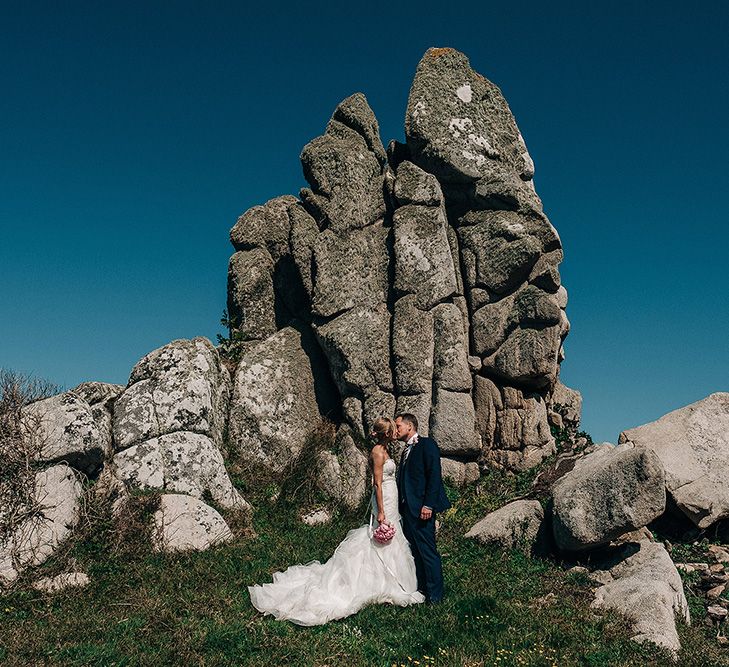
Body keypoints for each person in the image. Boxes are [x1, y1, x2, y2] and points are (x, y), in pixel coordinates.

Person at [247, 417, 425, 625]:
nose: (396, 431)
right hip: (383, 498)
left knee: (394, 536)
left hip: (391, 496)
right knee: (381, 535)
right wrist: (381, 512)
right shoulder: (377, 452)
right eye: (393, 429)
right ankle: (376, 582)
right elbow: (376, 484)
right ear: (386, 434)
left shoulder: (387, 450)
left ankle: (392, 580)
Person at [395, 413, 451, 603]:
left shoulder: (427, 445)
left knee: (428, 552)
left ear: (409, 427)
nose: (396, 430)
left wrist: (428, 504)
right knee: (416, 551)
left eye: (398, 426)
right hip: (408, 510)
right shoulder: (405, 451)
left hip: (422, 509)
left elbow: (434, 476)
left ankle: (436, 597)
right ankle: (423, 590)